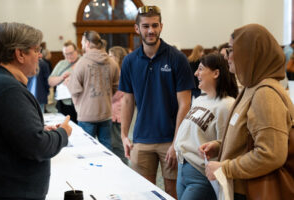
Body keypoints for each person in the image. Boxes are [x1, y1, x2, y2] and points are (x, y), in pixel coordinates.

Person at [200, 24, 292, 200]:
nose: (227, 55)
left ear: (250, 54)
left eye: (231, 49)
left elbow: (271, 153)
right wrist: (221, 145)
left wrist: (225, 168)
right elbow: (249, 136)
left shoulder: (265, 93)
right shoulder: (252, 86)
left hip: (251, 191)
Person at [119, 6, 194, 198]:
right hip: (141, 139)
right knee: (144, 194)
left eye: (154, 25)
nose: (150, 30)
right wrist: (124, 135)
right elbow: (127, 100)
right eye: (145, 26)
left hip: (171, 139)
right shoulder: (129, 61)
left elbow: (185, 103)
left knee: (172, 192)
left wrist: (177, 143)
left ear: (161, 26)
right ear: (137, 29)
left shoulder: (177, 58)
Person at [0, 22, 72, 200]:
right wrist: (62, 133)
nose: (39, 56)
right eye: (36, 50)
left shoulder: (1, 81)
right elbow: (37, 146)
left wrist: (38, 130)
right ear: (20, 54)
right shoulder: (9, 89)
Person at [174, 52, 238, 200]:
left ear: (216, 73)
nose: (196, 73)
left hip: (200, 174)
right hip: (182, 167)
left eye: (201, 69)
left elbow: (228, 145)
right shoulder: (200, 99)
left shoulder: (227, 105)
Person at [68, 31, 119, 150]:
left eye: (82, 42)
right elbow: (116, 86)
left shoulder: (81, 63)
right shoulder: (112, 62)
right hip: (106, 113)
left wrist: (78, 107)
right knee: (107, 149)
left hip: (86, 115)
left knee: (86, 149)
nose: (81, 45)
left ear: (87, 43)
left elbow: (74, 90)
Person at [48, 40, 79, 123]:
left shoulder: (83, 62)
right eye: (66, 54)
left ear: (76, 51)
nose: (69, 56)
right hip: (64, 103)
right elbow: (50, 81)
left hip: (81, 104)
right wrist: (61, 78)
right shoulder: (61, 64)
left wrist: (72, 79)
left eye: (71, 53)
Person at [109, 46, 129, 164]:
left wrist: (104, 100)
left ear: (117, 58)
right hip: (113, 111)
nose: (108, 58)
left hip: (117, 112)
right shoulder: (116, 71)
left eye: (111, 56)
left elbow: (118, 93)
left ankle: (124, 166)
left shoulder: (121, 73)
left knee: (118, 143)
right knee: (114, 142)